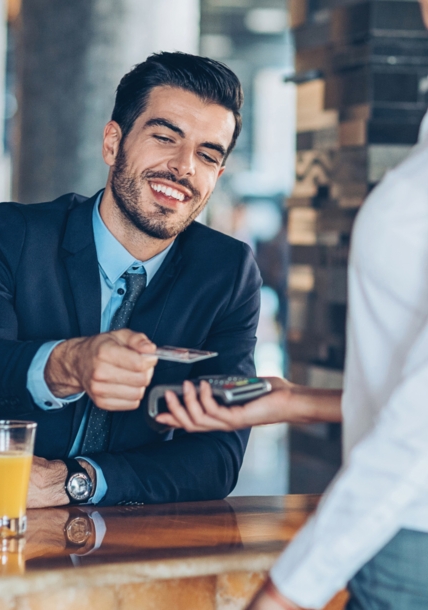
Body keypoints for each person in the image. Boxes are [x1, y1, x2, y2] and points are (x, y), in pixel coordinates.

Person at [0, 52, 262, 512]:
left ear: (217, 176)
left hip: (116, 543)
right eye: (165, 137)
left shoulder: (227, 272)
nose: (184, 168)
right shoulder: (10, 234)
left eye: (207, 155)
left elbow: (217, 457)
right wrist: (68, 364)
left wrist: (75, 481)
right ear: (112, 143)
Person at [158, 2, 428, 606]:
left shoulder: (229, 270)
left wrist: (286, 592)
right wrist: (296, 402)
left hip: (406, 533)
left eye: (208, 153)